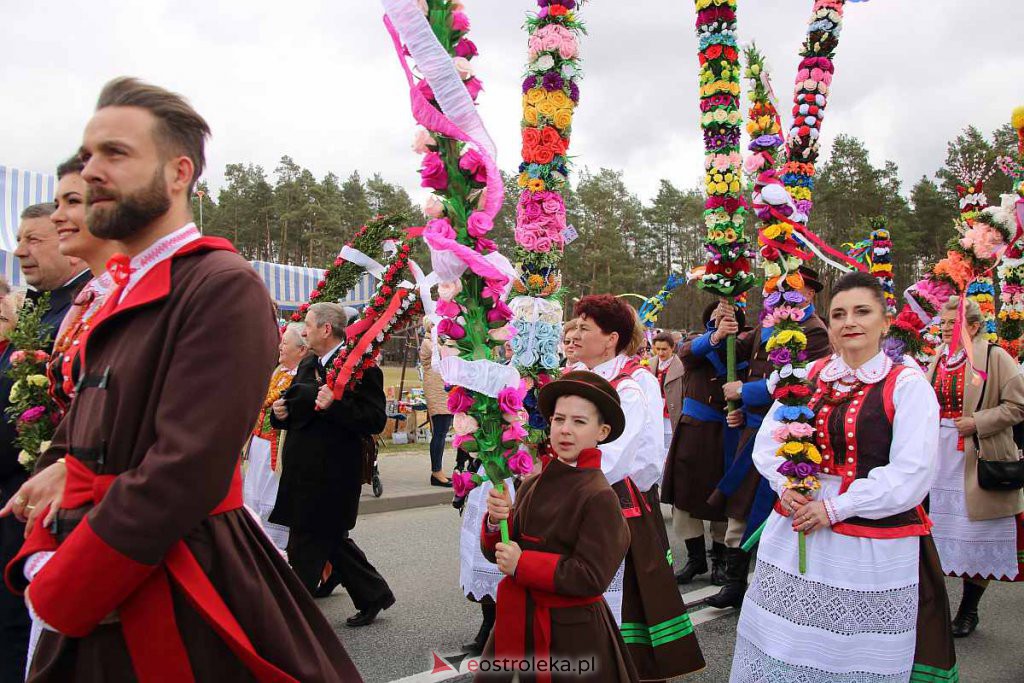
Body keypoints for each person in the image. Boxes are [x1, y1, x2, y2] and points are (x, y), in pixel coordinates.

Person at [4, 77, 361, 680]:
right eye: (89, 154)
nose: (90, 171)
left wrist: (68, 584)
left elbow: (185, 468)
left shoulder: (220, 283)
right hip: (103, 562)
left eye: (115, 153)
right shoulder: (118, 286)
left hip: (170, 577)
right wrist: (51, 512)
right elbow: (82, 433)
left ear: (178, 173)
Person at [730, 271, 957, 683]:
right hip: (796, 524)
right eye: (838, 314)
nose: (849, 321)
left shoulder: (906, 384)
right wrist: (788, 485)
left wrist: (834, 508)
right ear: (828, 324)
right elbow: (768, 443)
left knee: (849, 651)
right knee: (786, 643)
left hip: (868, 539)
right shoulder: (807, 375)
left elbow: (912, 473)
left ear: (885, 322)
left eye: (862, 311)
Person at [572, 294, 705, 680]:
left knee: (624, 600)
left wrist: (558, 478)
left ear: (611, 338)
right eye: (575, 326)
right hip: (582, 490)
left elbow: (620, 455)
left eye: (584, 328)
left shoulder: (635, 381)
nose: (574, 335)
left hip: (616, 501)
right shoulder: (575, 374)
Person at [478, 371, 639, 682]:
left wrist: (523, 563)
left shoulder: (600, 496)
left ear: (602, 431)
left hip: (571, 634)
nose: (565, 430)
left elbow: (591, 576)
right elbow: (498, 552)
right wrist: (497, 523)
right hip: (521, 619)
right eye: (558, 419)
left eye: (579, 422)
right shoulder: (533, 482)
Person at [705, 265, 831, 609]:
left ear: (809, 295)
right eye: (776, 287)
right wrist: (722, 327)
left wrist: (747, 392)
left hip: (787, 432)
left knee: (772, 509)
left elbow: (803, 382)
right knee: (740, 508)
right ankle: (734, 582)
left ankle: (770, 583)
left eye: (790, 287)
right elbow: (737, 352)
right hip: (752, 429)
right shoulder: (769, 323)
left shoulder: (815, 331)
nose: (781, 293)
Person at [0, 203, 88, 681]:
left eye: (34, 240)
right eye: (19, 239)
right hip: (19, 495)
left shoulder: (78, 313)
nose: (19, 252)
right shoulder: (43, 307)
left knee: (26, 639)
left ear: (70, 246)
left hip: (44, 500)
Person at [270, 302, 396, 626]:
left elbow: (374, 420)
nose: (304, 330)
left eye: (309, 325)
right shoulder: (309, 361)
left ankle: (291, 618)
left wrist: (334, 405)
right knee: (333, 542)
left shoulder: (363, 367)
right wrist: (279, 415)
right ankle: (374, 595)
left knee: (304, 544)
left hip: (332, 475)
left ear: (326, 329)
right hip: (302, 469)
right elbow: (299, 405)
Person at [926, 296, 1024, 637]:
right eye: (942, 323)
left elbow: (1018, 405)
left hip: (977, 457)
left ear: (973, 326)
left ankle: (969, 611)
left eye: (951, 324)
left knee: (975, 537)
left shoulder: (996, 357)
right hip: (939, 457)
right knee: (936, 535)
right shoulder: (939, 357)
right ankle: (933, 610)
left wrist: (978, 422)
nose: (943, 329)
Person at [663, 302, 746, 586]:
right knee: (684, 498)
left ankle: (720, 559)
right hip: (693, 433)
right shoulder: (695, 345)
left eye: (729, 317)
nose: (722, 320)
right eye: (717, 316)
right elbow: (687, 353)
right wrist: (716, 336)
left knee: (722, 498)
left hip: (728, 433)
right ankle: (695, 559)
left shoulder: (743, 350)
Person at [46, 155, 123, 415]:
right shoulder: (89, 295)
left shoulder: (133, 292)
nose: (56, 216)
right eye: (57, 204)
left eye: (73, 201)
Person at [243, 322, 309, 552]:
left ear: (301, 350)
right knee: (253, 492)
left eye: (285, 344)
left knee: (271, 497)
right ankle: (256, 542)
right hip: (260, 443)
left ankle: (274, 547)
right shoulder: (278, 371)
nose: (280, 347)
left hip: (278, 449)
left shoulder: (300, 376)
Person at [421, 318, 452, 487]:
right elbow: (445, 355)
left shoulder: (438, 341)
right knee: (439, 432)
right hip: (437, 392)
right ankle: (436, 472)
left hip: (442, 392)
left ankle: (438, 470)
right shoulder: (429, 343)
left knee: (442, 431)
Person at [651, 331, 684, 451]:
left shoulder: (681, 366)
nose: (660, 353)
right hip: (654, 411)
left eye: (664, 349)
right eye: (657, 349)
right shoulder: (650, 362)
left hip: (671, 412)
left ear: (672, 347)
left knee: (669, 446)